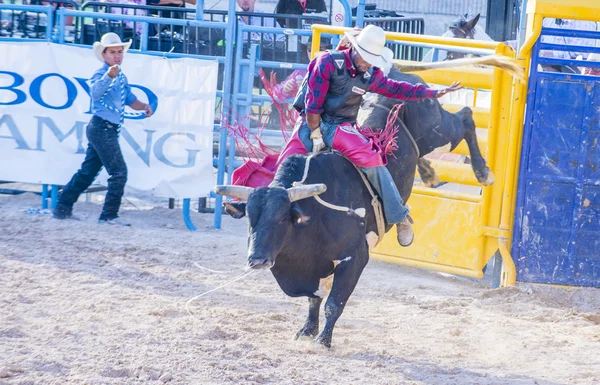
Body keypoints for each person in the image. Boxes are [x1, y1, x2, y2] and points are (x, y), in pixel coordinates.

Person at [282, 25, 462, 246]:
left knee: (373, 161)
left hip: (340, 126)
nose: (367, 62)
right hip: (313, 122)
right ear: (353, 49)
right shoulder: (327, 63)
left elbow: (397, 89)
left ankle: (399, 216)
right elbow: (313, 106)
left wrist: (433, 93)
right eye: (365, 56)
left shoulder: (369, 75)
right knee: (286, 161)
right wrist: (316, 134)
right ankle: (262, 205)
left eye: (371, 59)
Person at [52, 32, 153, 226]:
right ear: (104, 55)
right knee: (119, 172)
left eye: (119, 51)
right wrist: (108, 76)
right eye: (113, 52)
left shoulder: (120, 76)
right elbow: (95, 93)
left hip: (103, 128)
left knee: (88, 172)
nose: (117, 55)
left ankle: (62, 207)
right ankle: (108, 215)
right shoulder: (102, 74)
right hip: (102, 128)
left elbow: (130, 99)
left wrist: (144, 107)